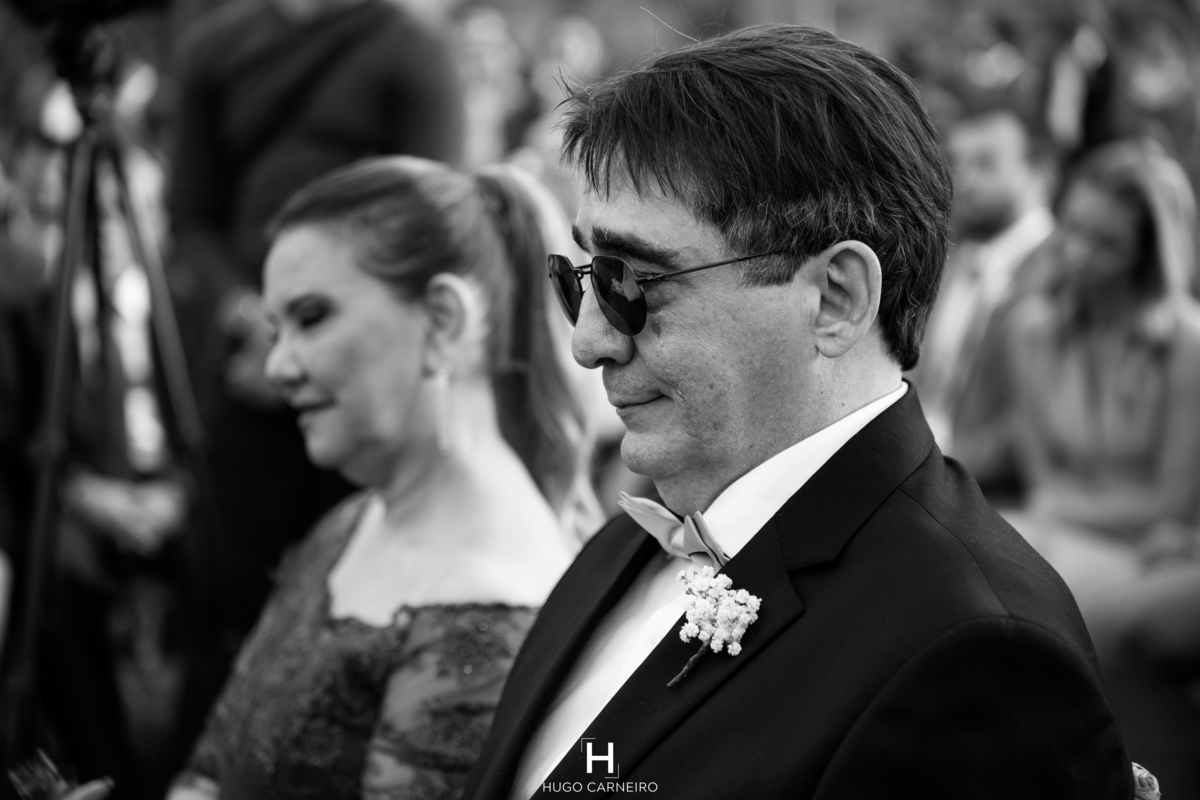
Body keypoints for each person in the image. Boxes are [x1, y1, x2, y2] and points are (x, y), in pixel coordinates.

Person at [463, 24, 1133, 800]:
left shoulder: (975, 655)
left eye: (633, 282)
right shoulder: (627, 544)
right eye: (582, 276)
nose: (588, 342)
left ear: (836, 298)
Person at [166, 156, 591, 800]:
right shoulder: (355, 519)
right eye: (275, 330)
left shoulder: (489, 606)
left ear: (441, 319)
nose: (278, 366)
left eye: (312, 318)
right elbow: (216, 763)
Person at [165, 0, 465, 757]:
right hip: (243, 370)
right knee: (225, 601)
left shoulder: (410, 48)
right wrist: (267, 326)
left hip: (370, 380)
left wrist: (328, 339)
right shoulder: (214, 48)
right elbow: (192, 216)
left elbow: (434, 221)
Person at [1001, 138, 1200, 604]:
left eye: (1106, 243)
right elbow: (1040, 477)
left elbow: (1173, 501)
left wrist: (1058, 508)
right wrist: (1054, 509)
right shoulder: (1032, 330)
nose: (1077, 253)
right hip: (1053, 534)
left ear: (1147, 258)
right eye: (1072, 227)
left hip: (1153, 552)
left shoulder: (1186, 345)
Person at [913, 106, 1055, 499]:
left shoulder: (1065, 273)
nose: (965, 179)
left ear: (1040, 171)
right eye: (958, 163)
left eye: (986, 163)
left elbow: (1043, 412)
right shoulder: (950, 261)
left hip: (991, 496)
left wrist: (939, 473)